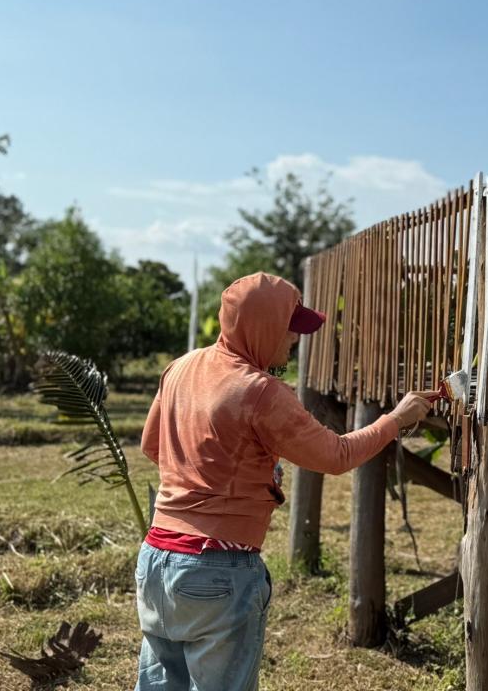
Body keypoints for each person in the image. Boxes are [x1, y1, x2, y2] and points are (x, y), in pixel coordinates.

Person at [134, 271, 433, 690]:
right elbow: (336, 455)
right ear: (262, 325)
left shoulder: (180, 368)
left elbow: (153, 447)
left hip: (156, 561)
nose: (295, 339)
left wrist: (227, 469)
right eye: (289, 328)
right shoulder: (260, 391)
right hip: (217, 571)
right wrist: (396, 420)